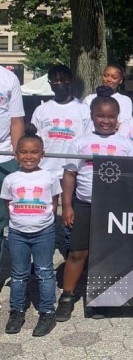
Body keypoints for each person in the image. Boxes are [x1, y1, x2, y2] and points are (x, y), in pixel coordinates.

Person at [55, 86, 133, 322]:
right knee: (77, 252)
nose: (105, 121)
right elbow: (69, 175)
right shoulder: (80, 143)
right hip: (85, 204)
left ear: (118, 118)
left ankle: (105, 298)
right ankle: (67, 296)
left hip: (114, 209)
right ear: (92, 116)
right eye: (101, 116)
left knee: (110, 253)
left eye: (111, 116)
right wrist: (68, 206)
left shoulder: (127, 145)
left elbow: (132, 179)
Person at [1, 125, 62, 336]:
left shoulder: (49, 178)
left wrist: (43, 222)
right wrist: (19, 222)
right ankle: (16, 310)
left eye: (34, 152)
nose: (29, 156)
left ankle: (47, 311)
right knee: (18, 274)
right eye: (24, 152)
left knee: (45, 272)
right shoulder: (10, 179)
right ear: (16, 154)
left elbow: (54, 203)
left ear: (42, 154)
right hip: (17, 233)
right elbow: (8, 202)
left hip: (43, 232)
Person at [31, 65, 92, 257]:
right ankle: (43, 252)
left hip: (73, 173)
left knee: (70, 216)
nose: (59, 85)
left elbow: (88, 140)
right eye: (55, 81)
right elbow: (35, 140)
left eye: (63, 81)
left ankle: (70, 251)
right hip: (46, 170)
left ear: (70, 81)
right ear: (50, 83)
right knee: (46, 214)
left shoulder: (83, 109)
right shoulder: (42, 110)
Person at [0, 65, 25, 311]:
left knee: (3, 223)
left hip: (4, 158)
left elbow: (17, 120)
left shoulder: (8, 78)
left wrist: (18, 162)